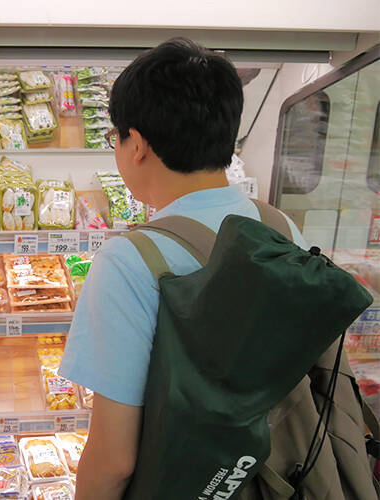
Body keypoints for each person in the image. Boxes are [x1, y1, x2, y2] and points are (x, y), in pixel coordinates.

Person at [58, 38, 308, 499]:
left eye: (116, 138)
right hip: (283, 477)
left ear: (137, 145)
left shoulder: (129, 261)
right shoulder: (282, 227)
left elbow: (114, 461)